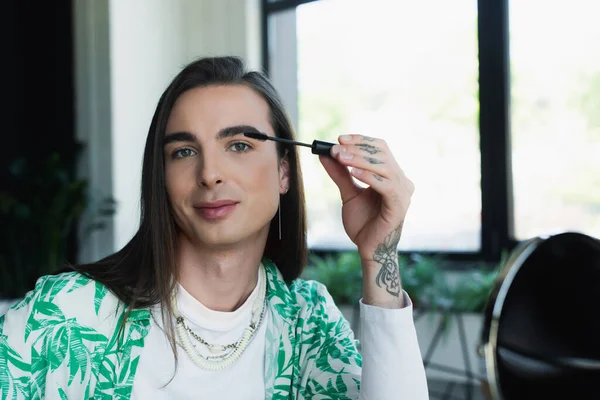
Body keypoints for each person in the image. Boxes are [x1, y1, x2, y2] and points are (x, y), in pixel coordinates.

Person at [0, 56, 428, 399]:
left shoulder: (306, 321)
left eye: (239, 145)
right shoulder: (66, 312)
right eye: (184, 152)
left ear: (284, 173)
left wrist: (380, 255)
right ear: (161, 178)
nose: (210, 174)